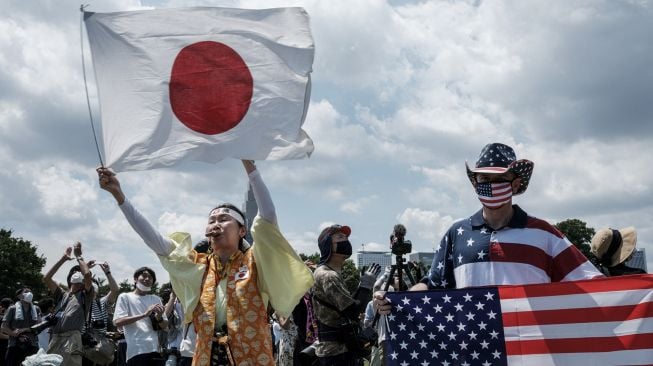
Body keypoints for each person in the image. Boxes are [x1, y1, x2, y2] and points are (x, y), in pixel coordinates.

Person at [97, 160, 313, 366]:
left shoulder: (256, 261)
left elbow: (267, 217)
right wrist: (120, 196)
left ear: (242, 231)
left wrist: (250, 168)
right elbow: (156, 242)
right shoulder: (199, 267)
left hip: (252, 355)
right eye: (211, 220)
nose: (216, 224)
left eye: (224, 219)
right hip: (206, 356)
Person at [375, 143, 603, 314]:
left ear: (515, 183)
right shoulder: (457, 234)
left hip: (533, 350)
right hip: (475, 349)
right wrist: (393, 300)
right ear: (474, 182)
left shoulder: (544, 233)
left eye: (499, 178)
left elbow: (592, 284)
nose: (490, 185)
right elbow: (433, 284)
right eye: (484, 177)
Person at [311, 224, 380, 366]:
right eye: (340, 237)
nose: (346, 240)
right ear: (327, 245)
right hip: (336, 353)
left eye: (346, 237)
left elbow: (345, 305)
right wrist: (365, 287)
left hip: (340, 349)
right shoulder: (328, 276)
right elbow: (352, 312)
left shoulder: (330, 273)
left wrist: (361, 286)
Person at [43, 242, 95, 366]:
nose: (79, 274)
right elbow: (47, 278)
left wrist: (79, 257)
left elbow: (87, 274)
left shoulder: (85, 295)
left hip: (72, 338)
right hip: (55, 337)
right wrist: (63, 259)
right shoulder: (62, 294)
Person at [113, 267, 167, 366]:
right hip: (136, 350)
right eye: (144, 276)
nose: (147, 279)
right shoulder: (125, 297)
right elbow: (118, 321)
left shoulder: (156, 299)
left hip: (155, 349)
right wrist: (144, 315)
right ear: (135, 279)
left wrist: (159, 317)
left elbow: (164, 326)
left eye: (150, 277)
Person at [1, 288, 40, 366]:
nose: (29, 293)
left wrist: (25, 329)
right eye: (26, 292)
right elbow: (3, 327)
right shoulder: (12, 309)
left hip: (32, 345)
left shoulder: (36, 309)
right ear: (19, 296)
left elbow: (38, 326)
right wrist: (13, 333)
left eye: (30, 292)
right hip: (14, 344)